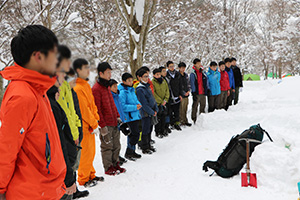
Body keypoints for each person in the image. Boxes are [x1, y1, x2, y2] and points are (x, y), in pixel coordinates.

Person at [0, 25, 66, 199]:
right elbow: (6, 150)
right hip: (31, 193)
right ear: (38, 57)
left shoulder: (37, 90)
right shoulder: (22, 96)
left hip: (46, 188)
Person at [73, 58, 104, 187]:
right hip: (84, 127)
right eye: (85, 68)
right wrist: (93, 123)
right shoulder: (77, 88)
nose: (88, 71)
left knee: (91, 152)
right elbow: (83, 110)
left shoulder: (86, 85)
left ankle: (91, 174)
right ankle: (83, 178)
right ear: (78, 70)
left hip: (91, 125)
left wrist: (96, 119)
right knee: (85, 154)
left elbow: (92, 105)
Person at [47, 75, 77, 200]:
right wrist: (68, 177)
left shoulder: (54, 104)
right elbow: (60, 142)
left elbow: (73, 112)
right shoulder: (52, 107)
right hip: (60, 167)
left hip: (64, 163)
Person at [92, 62, 126, 175]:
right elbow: (97, 108)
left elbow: (112, 103)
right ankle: (108, 167)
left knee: (117, 144)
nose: (110, 75)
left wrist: (117, 116)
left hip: (113, 121)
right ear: (101, 73)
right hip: (105, 123)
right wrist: (102, 125)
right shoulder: (96, 89)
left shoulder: (107, 87)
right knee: (107, 146)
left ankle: (116, 163)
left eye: (110, 72)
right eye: (108, 72)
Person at [65, 68, 90, 198]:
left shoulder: (72, 92)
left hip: (76, 132)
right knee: (70, 164)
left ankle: (74, 189)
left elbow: (76, 113)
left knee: (75, 163)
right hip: (69, 135)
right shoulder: (63, 93)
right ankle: (70, 191)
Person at [56, 45, 81, 146]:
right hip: (66, 134)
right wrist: (74, 133)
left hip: (73, 131)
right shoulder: (59, 86)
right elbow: (65, 113)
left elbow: (72, 111)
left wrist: (78, 127)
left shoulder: (66, 86)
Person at [117, 73, 143, 160]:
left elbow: (135, 100)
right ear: (123, 81)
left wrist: (138, 104)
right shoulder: (122, 92)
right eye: (128, 80)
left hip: (135, 115)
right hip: (129, 117)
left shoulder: (131, 90)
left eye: (131, 80)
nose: (131, 82)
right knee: (133, 134)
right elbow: (123, 106)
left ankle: (132, 151)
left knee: (135, 134)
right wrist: (135, 107)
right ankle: (129, 152)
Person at [136, 69, 159, 154]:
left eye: (147, 76)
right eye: (145, 76)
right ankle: (144, 147)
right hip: (145, 113)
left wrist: (156, 108)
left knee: (150, 129)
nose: (146, 78)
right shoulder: (140, 89)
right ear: (140, 77)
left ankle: (148, 144)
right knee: (145, 130)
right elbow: (144, 104)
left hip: (151, 111)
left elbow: (152, 98)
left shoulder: (147, 86)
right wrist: (151, 112)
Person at [109, 79, 128, 165]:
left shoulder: (118, 95)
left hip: (119, 120)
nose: (116, 88)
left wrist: (123, 118)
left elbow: (120, 108)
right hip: (113, 121)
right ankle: (114, 158)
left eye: (116, 86)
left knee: (117, 141)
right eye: (114, 86)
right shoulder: (110, 97)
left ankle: (117, 155)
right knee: (113, 142)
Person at [165, 61, 184, 131]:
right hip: (170, 96)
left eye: (173, 66)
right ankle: (171, 123)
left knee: (177, 111)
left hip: (177, 95)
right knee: (170, 111)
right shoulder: (166, 75)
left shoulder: (177, 74)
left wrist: (180, 94)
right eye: (170, 66)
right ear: (167, 67)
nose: (172, 68)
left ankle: (177, 123)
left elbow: (180, 85)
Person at [152, 68, 170, 138]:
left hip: (164, 102)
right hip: (158, 103)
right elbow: (154, 94)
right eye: (157, 74)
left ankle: (163, 130)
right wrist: (161, 101)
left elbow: (167, 90)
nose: (159, 76)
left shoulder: (163, 81)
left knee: (164, 117)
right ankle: (158, 131)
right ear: (154, 75)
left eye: (159, 74)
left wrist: (166, 99)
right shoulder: (152, 82)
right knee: (158, 118)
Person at [190, 58, 208, 123]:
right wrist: (193, 92)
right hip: (197, 92)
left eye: (200, 63)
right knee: (195, 105)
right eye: (198, 63)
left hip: (203, 91)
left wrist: (207, 89)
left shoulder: (203, 71)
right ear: (195, 64)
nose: (199, 64)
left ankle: (202, 118)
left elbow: (206, 80)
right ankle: (193, 119)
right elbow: (192, 83)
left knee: (203, 105)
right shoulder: (193, 73)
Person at [178, 62, 192, 127]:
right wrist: (183, 93)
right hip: (181, 95)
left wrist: (188, 90)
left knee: (185, 108)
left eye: (184, 68)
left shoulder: (186, 75)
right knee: (181, 109)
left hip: (187, 94)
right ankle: (181, 121)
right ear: (179, 68)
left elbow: (188, 83)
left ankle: (185, 120)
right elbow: (178, 86)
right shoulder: (177, 75)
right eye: (182, 68)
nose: (183, 69)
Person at [159, 66, 172, 134]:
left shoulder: (166, 79)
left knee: (168, 113)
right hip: (161, 101)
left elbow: (168, 90)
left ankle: (167, 126)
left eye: (165, 71)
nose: (165, 72)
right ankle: (162, 128)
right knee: (162, 115)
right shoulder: (159, 80)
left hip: (167, 99)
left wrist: (167, 98)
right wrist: (162, 100)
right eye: (163, 71)